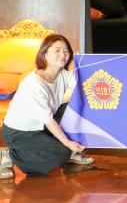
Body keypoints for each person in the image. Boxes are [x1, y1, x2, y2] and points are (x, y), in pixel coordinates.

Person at [1, 35, 92, 177]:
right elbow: (48, 120)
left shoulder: (62, 74)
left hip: (40, 126)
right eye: (57, 50)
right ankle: (10, 154)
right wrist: (68, 143)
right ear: (45, 54)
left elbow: (83, 86)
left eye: (66, 51)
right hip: (19, 133)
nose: (63, 55)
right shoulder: (34, 84)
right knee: (61, 153)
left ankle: (69, 152)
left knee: (70, 109)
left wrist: (81, 65)